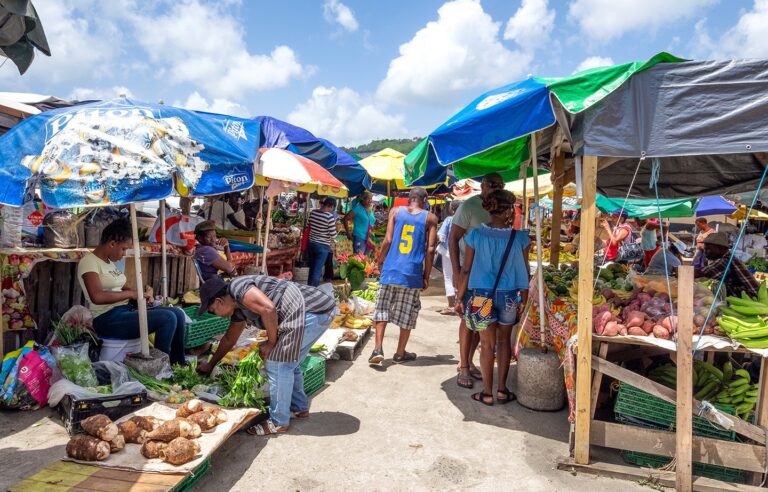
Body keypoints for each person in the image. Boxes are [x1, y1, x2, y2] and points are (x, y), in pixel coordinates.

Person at [196, 275, 335, 435]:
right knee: (289, 363)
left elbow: (269, 309)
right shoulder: (238, 309)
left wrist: (271, 342)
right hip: (318, 312)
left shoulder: (238, 288)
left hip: (313, 311)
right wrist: (211, 364)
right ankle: (299, 408)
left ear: (219, 301)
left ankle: (278, 422)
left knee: (277, 363)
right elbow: (229, 340)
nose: (216, 314)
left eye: (213, 310)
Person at [455, 190, 530, 405]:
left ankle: (487, 393)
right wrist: (524, 299)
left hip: (481, 296)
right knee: (504, 341)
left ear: (488, 208)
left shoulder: (476, 236)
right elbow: (525, 271)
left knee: (486, 344)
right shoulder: (520, 238)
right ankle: (502, 390)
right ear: (509, 211)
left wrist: (459, 297)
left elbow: (466, 270)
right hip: (509, 296)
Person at [77, 218, 186, 364]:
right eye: (123, 249)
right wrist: (131, 294)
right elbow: (97, 296)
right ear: (112, 244)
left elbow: (120, 286)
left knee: (178, 313)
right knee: (167, 318)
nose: (124, 254)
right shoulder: (89, 262)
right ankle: (160, 367)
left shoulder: (109, 263)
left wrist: (140, 295)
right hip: (106, 319)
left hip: (123, 311)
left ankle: (179, 364)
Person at [368, 187, 437, 365]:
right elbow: (430, 249)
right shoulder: (430, 218)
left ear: (409, 199)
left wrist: (380, 260)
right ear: (424, 201)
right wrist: (426, 275)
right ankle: (400, 353)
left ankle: (378, 348)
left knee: (382, 309)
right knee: (408, 312)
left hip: (391, 269)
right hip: (412, 273)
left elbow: (388, 240)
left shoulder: (395, 211)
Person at [450, 173, 504, 388]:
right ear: (483, 186)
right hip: (470, 274)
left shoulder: (500, 208)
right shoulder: (469, 206)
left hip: (490, 278)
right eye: (493, 184)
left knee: (479, 322)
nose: (497, 188)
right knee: (467, 319)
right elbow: (453, 238)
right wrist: (456, 271)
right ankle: (463, 366)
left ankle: (469, 361)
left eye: (500, 185)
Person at [695, 232, 760, 298]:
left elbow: (700, 272)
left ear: (721, 248)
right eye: (705, 249)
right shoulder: (728, 257)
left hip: (751, 298)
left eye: (709, 249)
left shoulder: (726, 260)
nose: (706, 252)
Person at [436, 200, 461, 315]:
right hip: (462, 253)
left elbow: (441, 236)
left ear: (452, 209)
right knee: (460, 277)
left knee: (448, 277)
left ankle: (451, 305)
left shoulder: (449, 220)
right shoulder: (466, 220)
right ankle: (459, 304)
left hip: (448, 252)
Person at [307, 197, 338, 287]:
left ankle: (309, 287)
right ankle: (313, 290)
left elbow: (309, 225)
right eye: (333, 208)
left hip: (311, 243)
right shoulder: (329, 217)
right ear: (331, 206)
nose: (332, 211)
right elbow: (333, 235)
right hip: (322, 246)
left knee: (312, 268)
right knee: (317, 270)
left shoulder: (313, 212)